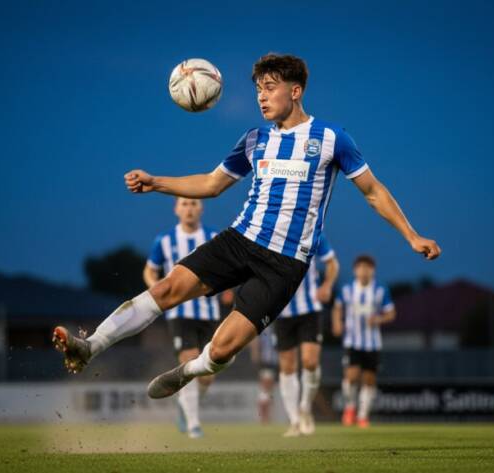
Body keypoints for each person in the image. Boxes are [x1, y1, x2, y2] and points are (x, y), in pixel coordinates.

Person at [52, 53, 441, 403]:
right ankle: (90, 346)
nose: (261, 96)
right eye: (258, 89)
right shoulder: (254, 140)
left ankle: (188, 371)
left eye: (270, 88)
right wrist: (156, 183)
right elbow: (211, 184)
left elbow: (373, 191)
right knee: (166, 288)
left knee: (221, 350)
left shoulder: (331, 139)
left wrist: (412, 235)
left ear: (296, 90)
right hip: (240, 240)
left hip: (284, 265)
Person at [142, 197, 220, 438]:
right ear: (177, 209)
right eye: (184, 204)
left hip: (209, 312)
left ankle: (186, 407)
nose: (189, 208)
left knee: (207, 375)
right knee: (188, 362)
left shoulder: (215, 238)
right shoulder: (164, 241)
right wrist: (158, 291)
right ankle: (194, 425)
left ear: (201, 209)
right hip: (180, 313)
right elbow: (149, 270)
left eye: (194, 204)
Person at [274, 235, 338, 437]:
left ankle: (305, 409)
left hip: (310, 308)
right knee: (287, 366)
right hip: (281, 311)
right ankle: (293, 420)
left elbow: (332, 264)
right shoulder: (268, 231)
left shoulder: (313, 232)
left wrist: (327, 286)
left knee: (310, 362)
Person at [332, 255, 395, 428]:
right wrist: (337, 323)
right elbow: (337, 308)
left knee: (369, 379)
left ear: (372, 270)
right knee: (351, 376)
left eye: (367, 268)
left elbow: (391, 313)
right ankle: (350, 408)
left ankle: (363, 415)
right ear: (355, 270)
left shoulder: (380, 290)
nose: (364, 271)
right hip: (352, 341)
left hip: (372, 343)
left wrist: (378, 319)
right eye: (360, 268)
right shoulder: (347, 289)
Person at [249, 324, 279, 424]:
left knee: (268, 391)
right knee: (265, 390)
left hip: (275, 362)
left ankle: (266, 417)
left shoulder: (276, 327)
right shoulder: (264, 328)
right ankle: (264, 418)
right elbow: (255, 342)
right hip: (266, 362)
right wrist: (256, 357)